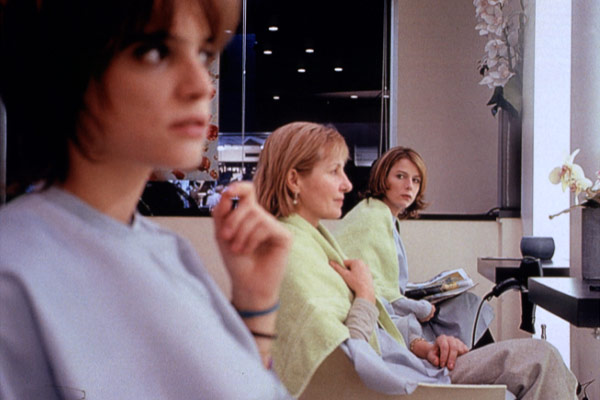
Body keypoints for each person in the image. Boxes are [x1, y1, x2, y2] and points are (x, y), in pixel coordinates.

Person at [0, 1, 293, 398]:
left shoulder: (172, 253)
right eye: (155, 51)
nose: (202, 85)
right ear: (70, 67)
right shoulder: (14, 274)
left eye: (204, 54)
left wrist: (255, 301)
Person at [253, 121, 578, 400]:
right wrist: (367, 297)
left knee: (534, 354)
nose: (348, 184)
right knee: (540, 357)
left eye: (416, 180)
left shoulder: (308, 241)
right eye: (334, 171)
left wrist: (419, 345)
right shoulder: (295, 254)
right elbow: (348, 363)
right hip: (399, 377)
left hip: (405, 359)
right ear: (294, 180)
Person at [334, 146, 494, 348]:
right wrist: (419, 308)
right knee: (466, 307)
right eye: (400, 176)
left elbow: (385, 282)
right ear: (383, 179)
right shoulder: (372, 218)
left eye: (415, 180)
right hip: (377, 319)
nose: (409, 186)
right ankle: (478, 369)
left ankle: (479, 365)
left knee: (464, 304)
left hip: (387, 308)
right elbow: (374, 290)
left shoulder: (383, 216)